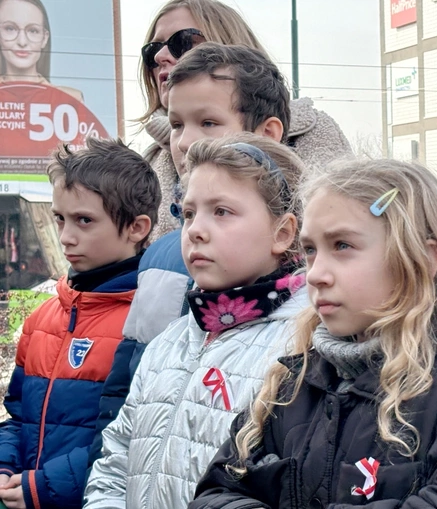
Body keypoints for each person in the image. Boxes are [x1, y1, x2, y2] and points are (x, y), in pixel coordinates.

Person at [191, 158, 437, 509]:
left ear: (423, 259)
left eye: (342, 246)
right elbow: (216, 493)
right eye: (310, 250)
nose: (315, 274)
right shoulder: (292, 384)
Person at [85, 42, 298, 469]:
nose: (184, 143)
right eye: (177, 124)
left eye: (208, 122)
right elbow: (126, 397)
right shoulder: (163, 253)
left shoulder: (315, 288)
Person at [84, 134, 308, 509]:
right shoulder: (170, 341)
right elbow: (115, 459)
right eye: (188, 213)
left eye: (221, 211)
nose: (195, 230)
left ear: (281, 232)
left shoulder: (302, 346)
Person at [0, 137, 160, 509]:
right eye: (60, 218)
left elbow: (136, 438)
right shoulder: (42, 319)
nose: (66, 237)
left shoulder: (149, 323)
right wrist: (4, 464)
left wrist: (47, 488)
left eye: (84, 221)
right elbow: (19, 416)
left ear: (136, 228)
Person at [139, 0, 351, 242]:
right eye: (152, 49)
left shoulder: (312, 134)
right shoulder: (149, 164)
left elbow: (342, 233)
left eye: (182, 42)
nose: (160, 55)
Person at [0, 0, 83, 101]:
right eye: (10, 29)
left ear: (44, 38)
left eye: (33, 31)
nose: (22, 42)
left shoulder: (70, 99)